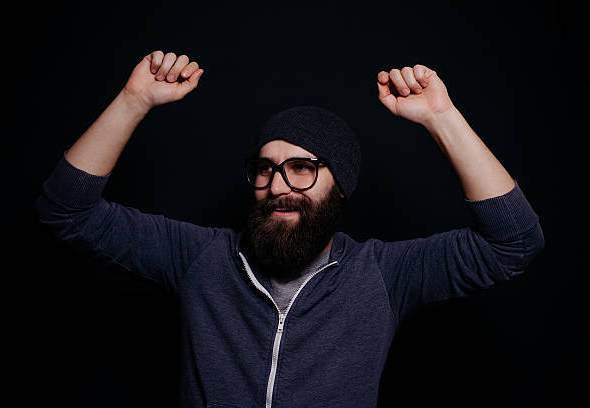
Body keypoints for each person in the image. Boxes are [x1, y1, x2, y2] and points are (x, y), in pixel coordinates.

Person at [36, 50, 545, 407]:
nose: (278, 184)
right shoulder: (200, 258)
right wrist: (133, 100)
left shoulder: (382, 276)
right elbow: (66, 209)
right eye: (265, 167)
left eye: (302, 167)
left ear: (339, 186)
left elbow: (514, 241)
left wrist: (441, 116)